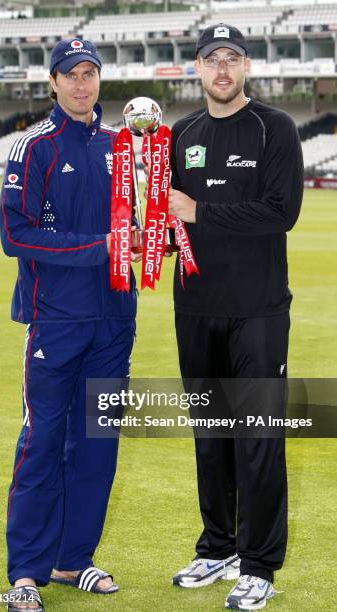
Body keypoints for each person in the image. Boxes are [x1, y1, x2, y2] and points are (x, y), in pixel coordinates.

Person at [0, 38, 139, 612]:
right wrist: (98, 248)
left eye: (90, 74)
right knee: (43, 442)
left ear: (100, 81)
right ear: (52, 83)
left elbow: (141, 222)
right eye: (70, 75)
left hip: (114, 320)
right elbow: (16, 236)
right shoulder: (34, 147)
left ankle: (72, 559)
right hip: (55, 322)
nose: (81, 84)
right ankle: (26, 573)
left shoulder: (122, 146)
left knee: (97, 445)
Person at [167, 23, 303, 610]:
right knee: (210, 436)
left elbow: (282, 211)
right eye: (211, 59)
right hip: (195, 306)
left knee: (258, 440)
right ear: (196, 68)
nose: (222, 69)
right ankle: (218, 545)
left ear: (246, 67)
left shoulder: (275, 128)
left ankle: (259, 564)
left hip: (258, 310)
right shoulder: (179, 133)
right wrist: (156, 234)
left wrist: (200, 210)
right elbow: (171, 217)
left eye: (232, 58)